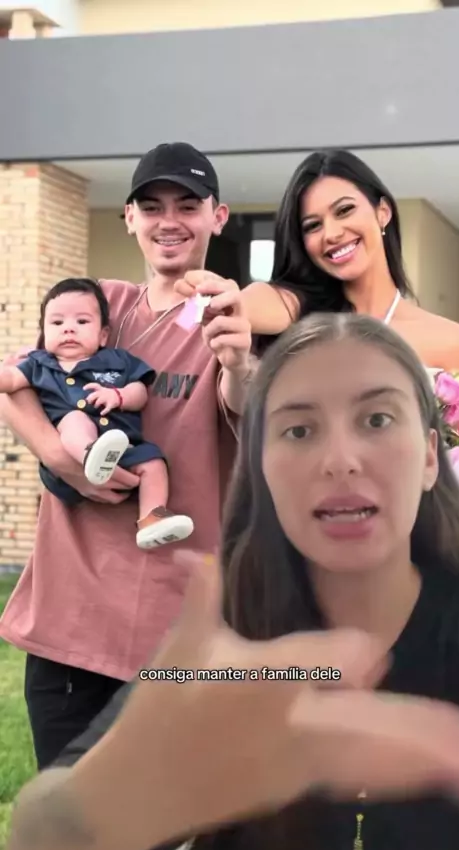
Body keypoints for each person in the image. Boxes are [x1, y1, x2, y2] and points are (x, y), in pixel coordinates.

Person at [8, 311, 459, 850]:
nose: (340, 461)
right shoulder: (226, 652)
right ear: (260, 468)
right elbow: (40, 836)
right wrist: (115, 795)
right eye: (299, 430)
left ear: (429, 455)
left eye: (376, 420)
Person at [0, 141, 252, 771]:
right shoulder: (97, 306)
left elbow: (244, 402)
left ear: (218, 217)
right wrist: (62, 460)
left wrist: (239, 361)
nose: (170, 220)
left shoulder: (234, 318)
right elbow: (19, 384)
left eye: (188, 205)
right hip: (70, 618)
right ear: (129, 218)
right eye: (152, 205)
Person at [176, 149, 459, 383]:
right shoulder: (295, 307)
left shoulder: (452, 341)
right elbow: (235, 306)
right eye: (313, 225)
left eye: (344, 210)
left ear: (383, 212)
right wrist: (201, 303)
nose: (331, 234)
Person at [0, 276, 194, 549]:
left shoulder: (117, 360)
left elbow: (140, 391)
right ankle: (91, 455)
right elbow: (10, 382)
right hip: (71, 458)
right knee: (75, 420)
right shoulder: (38, 364)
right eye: (57, 323)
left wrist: (119, 396)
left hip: (122, 448)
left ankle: (151, 520)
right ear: (43, 333)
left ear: (103, 335)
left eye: (81, 322)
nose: (69, 329)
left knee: (154, 463)